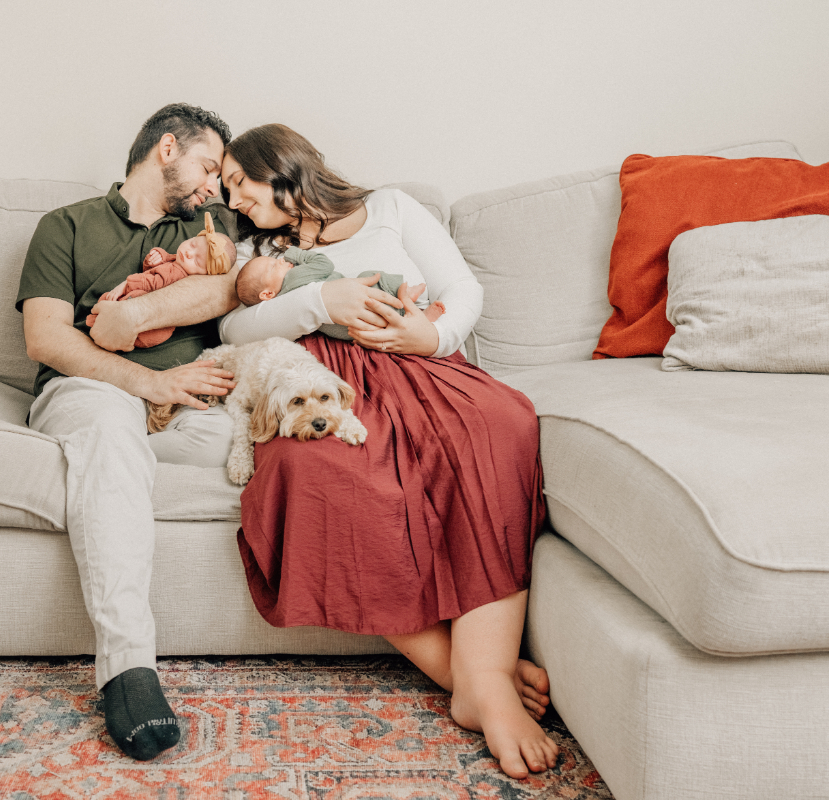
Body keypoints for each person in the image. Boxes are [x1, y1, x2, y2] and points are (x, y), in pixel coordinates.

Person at [219, 123, 558, 780]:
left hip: (416, 361)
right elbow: (234, 327)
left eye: (240, 183)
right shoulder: (253, 251)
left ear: (282, 168)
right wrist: (322, 300)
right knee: (314, 467)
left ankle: (480, 675)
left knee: (501, 422)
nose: (232, 201)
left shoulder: (394, 207)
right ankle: (470, 678)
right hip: (327, 380)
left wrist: (427, 337)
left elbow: (462, 290)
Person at [16, 103, 240, 761]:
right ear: (166, 149)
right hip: (90, 395)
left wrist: (138, 312)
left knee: (275, 444)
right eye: (207, 167)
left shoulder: (211, 227)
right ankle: (128, 670)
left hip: (192, 414)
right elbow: (45, 337)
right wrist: (145, 383)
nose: (214, 187)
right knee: (112, 433)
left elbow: (231, 290)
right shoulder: (67, 226)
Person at [84, 211, 237, 348]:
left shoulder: (178, 273)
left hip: (147, 320)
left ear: (205, 274)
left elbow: (152, 281)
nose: (190, 253)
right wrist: (157, 257)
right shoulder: (178, 261)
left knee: (113, 302)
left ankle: (99, 324)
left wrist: (125, 285)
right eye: (193, 244)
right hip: (156, 329)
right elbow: (159, 267)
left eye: (197, 261)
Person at [235, 245, 444, 339]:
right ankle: (404, 298)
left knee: (376, 326)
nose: (280, 261)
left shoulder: (280, 308)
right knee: (371, 276)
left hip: (341, 333)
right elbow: (324, 264)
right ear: (267, 294)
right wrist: (295, 253)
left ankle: (415, 317)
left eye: (276, 259)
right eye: (273, 266)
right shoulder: (294, 277)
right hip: (360, 305)